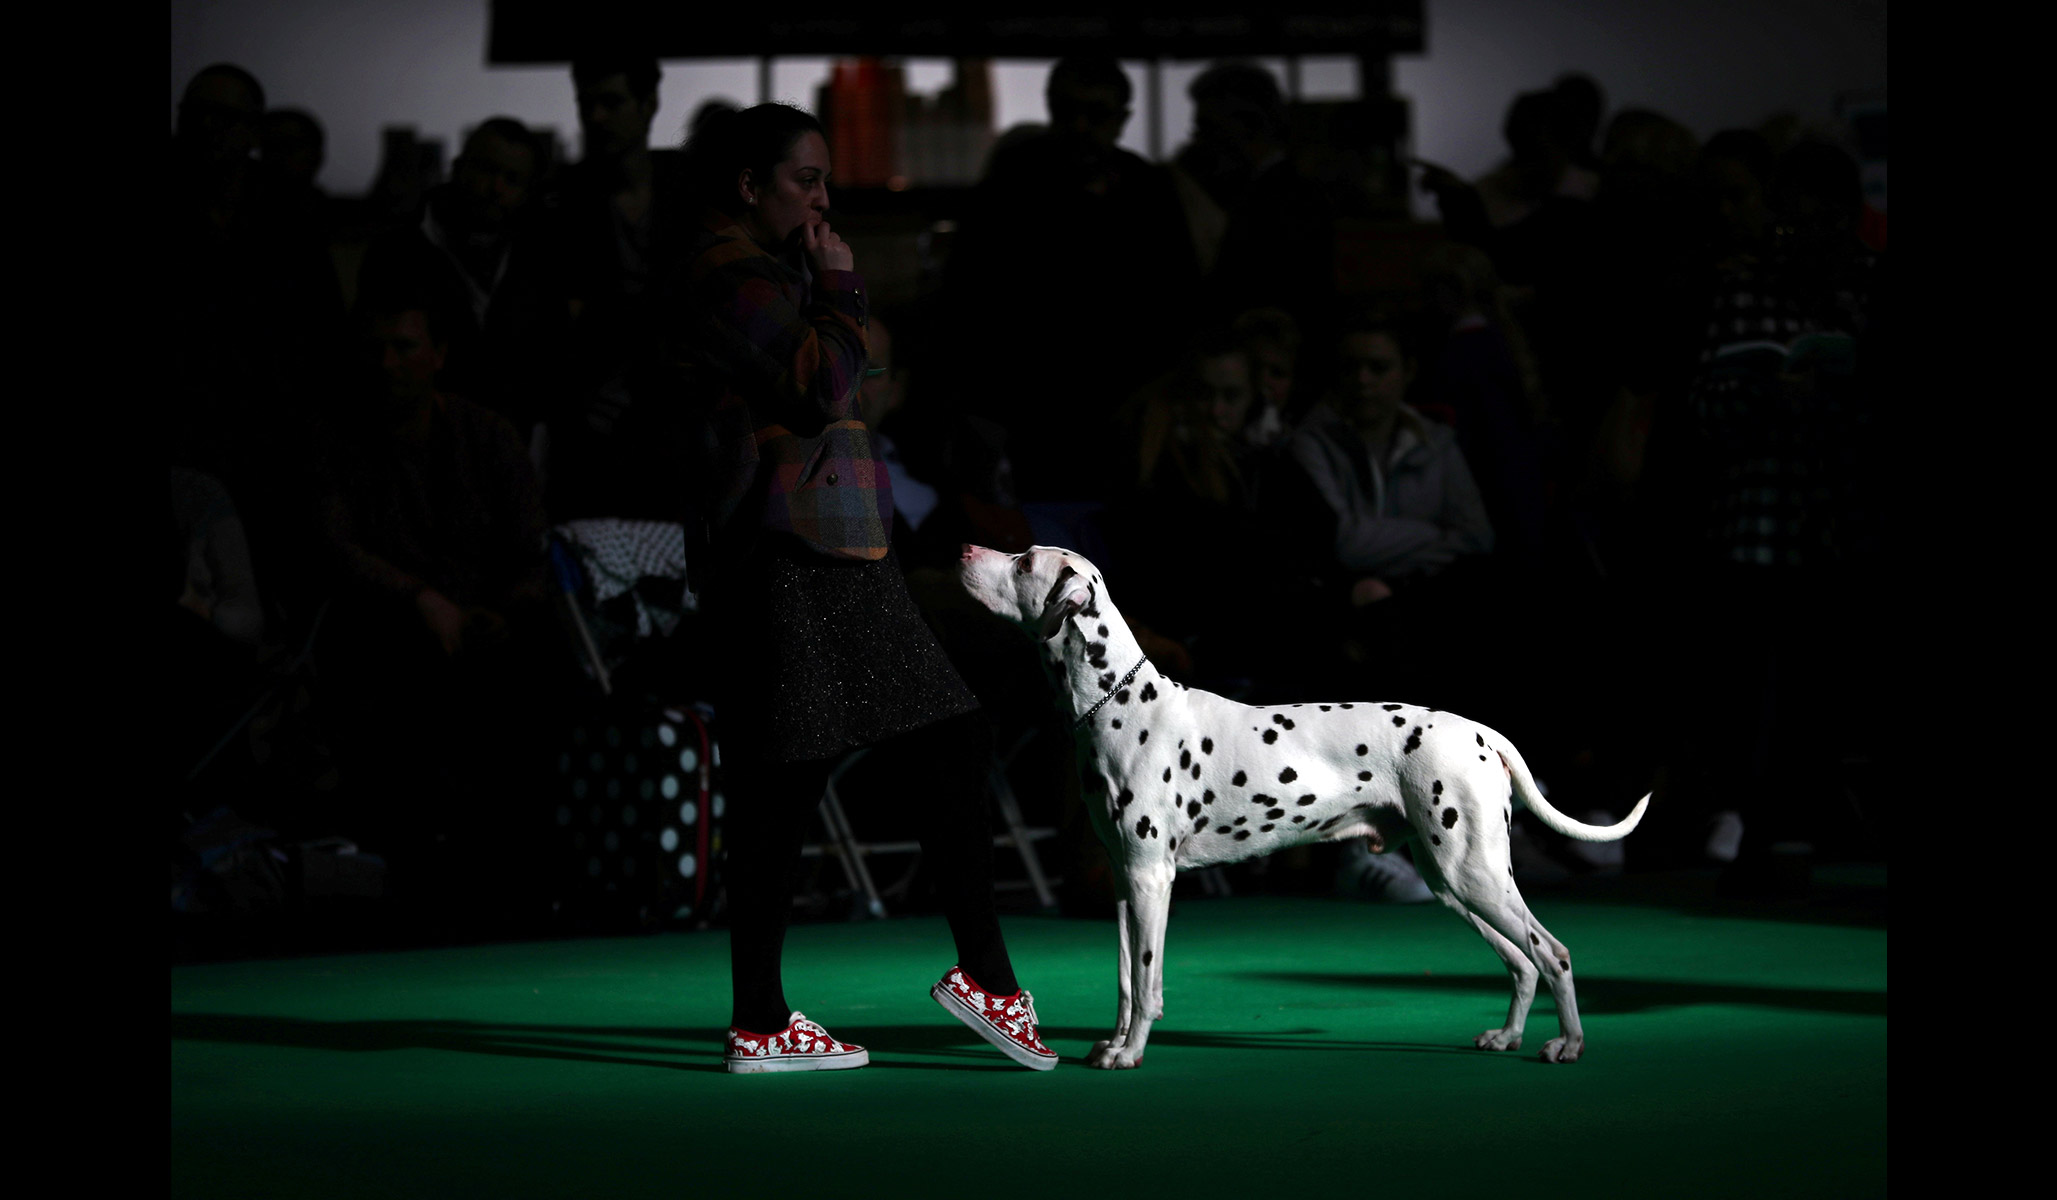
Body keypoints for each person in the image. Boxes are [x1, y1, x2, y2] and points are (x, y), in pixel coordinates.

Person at [675, 103, 1055, 1074]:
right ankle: (984, 981)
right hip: (805, 553)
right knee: (918, 744)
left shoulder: (747, 270)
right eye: (803, 179)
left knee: (789, 782)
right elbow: (819, 384)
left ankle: (769, 1018)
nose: (821, 199)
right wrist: (843, 288)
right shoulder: (734, 273)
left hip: (797, 553)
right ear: (747, 186)